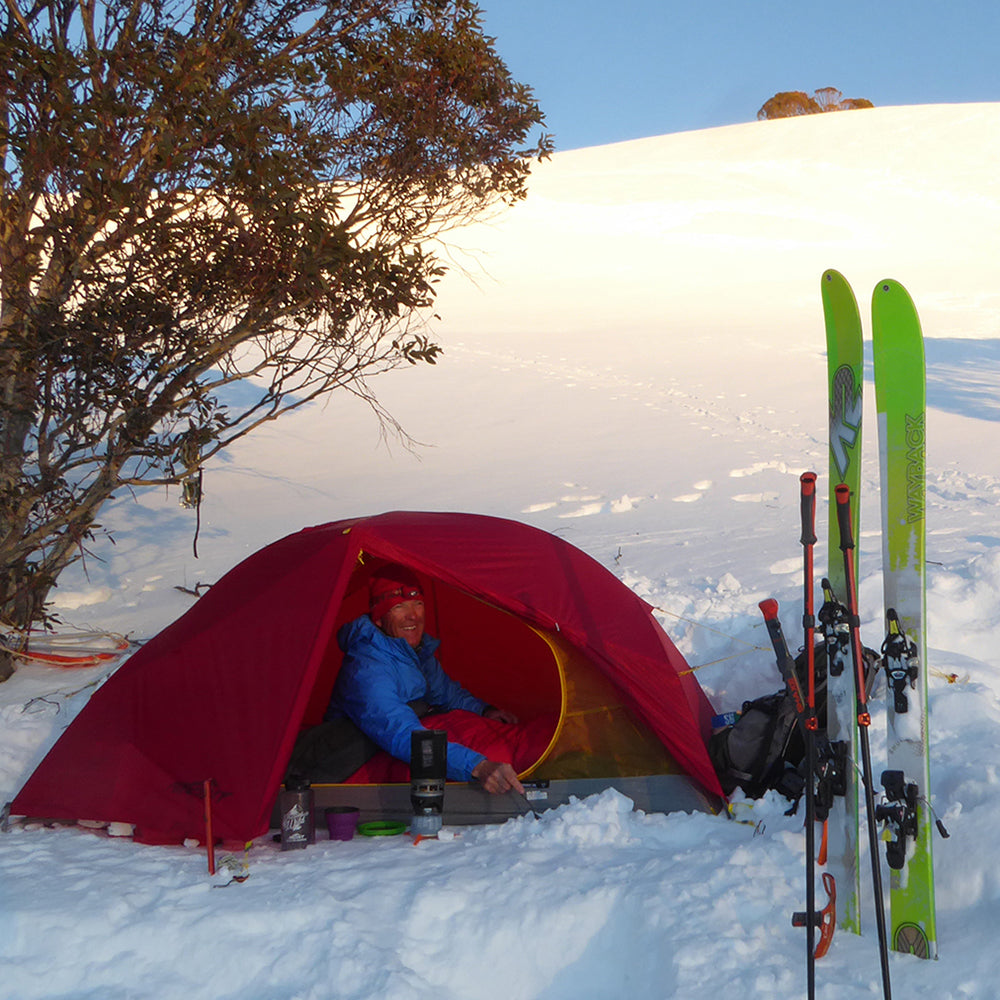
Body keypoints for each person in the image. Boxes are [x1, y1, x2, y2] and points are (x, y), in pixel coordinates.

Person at [327, 565, 530, 795]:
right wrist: (476, 766)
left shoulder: (412, 651)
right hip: (355, 767)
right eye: (399, 607)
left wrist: (485, 711)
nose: (412, 615)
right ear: (379, 619)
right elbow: (401, 734)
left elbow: (447, 694)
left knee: (499, 735)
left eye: (418, 604)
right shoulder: (367, 669)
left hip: (399, 747)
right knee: (489, 751)